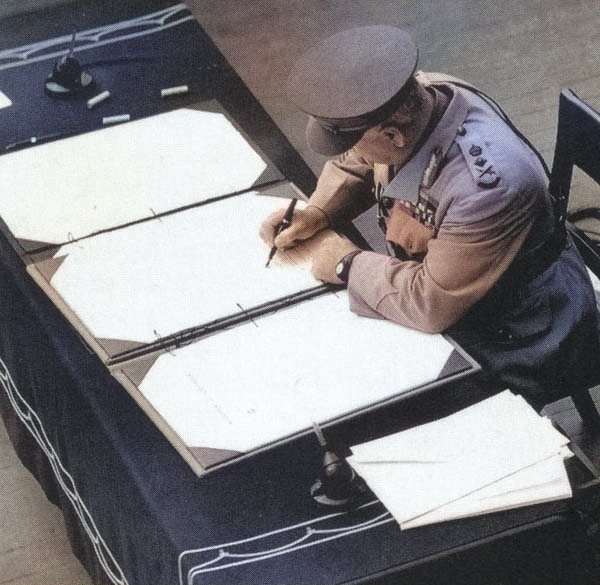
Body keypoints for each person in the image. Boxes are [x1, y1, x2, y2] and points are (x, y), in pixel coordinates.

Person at [260, 25, 600, 410]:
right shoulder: (417, 99)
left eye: (355, 140)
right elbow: (357, 161)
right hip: (458, 287)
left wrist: (345, 263)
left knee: (383, 405)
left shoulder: (487, 186)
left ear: (392, 136)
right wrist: (318, 212)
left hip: (526, 327)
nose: (351, 152)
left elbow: (428, 304)